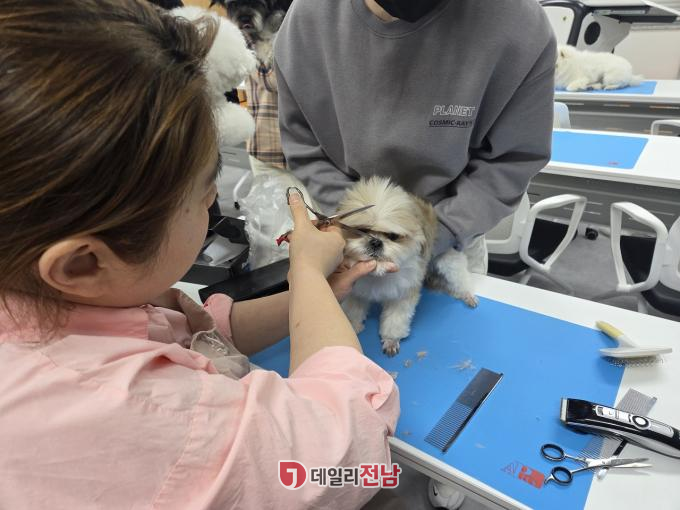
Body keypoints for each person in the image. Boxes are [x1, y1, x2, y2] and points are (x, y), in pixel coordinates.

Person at [0, 1, 398, 508]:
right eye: (205, 189)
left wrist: (313, 293)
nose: (215, 198)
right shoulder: (142, 412)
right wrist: (306, 271)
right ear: (82, 263)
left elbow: (195, 335)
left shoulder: (46, 295)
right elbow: (343, 457)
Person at [274, 0, 556, 506]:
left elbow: (512, 160)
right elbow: (304, 145)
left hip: (450, 233)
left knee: (455, 394)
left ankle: (451, 475)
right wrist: (355, 224)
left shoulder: (518, 25)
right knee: (353, 364)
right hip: (350, 227)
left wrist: (434, 235)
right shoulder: (307, 21)